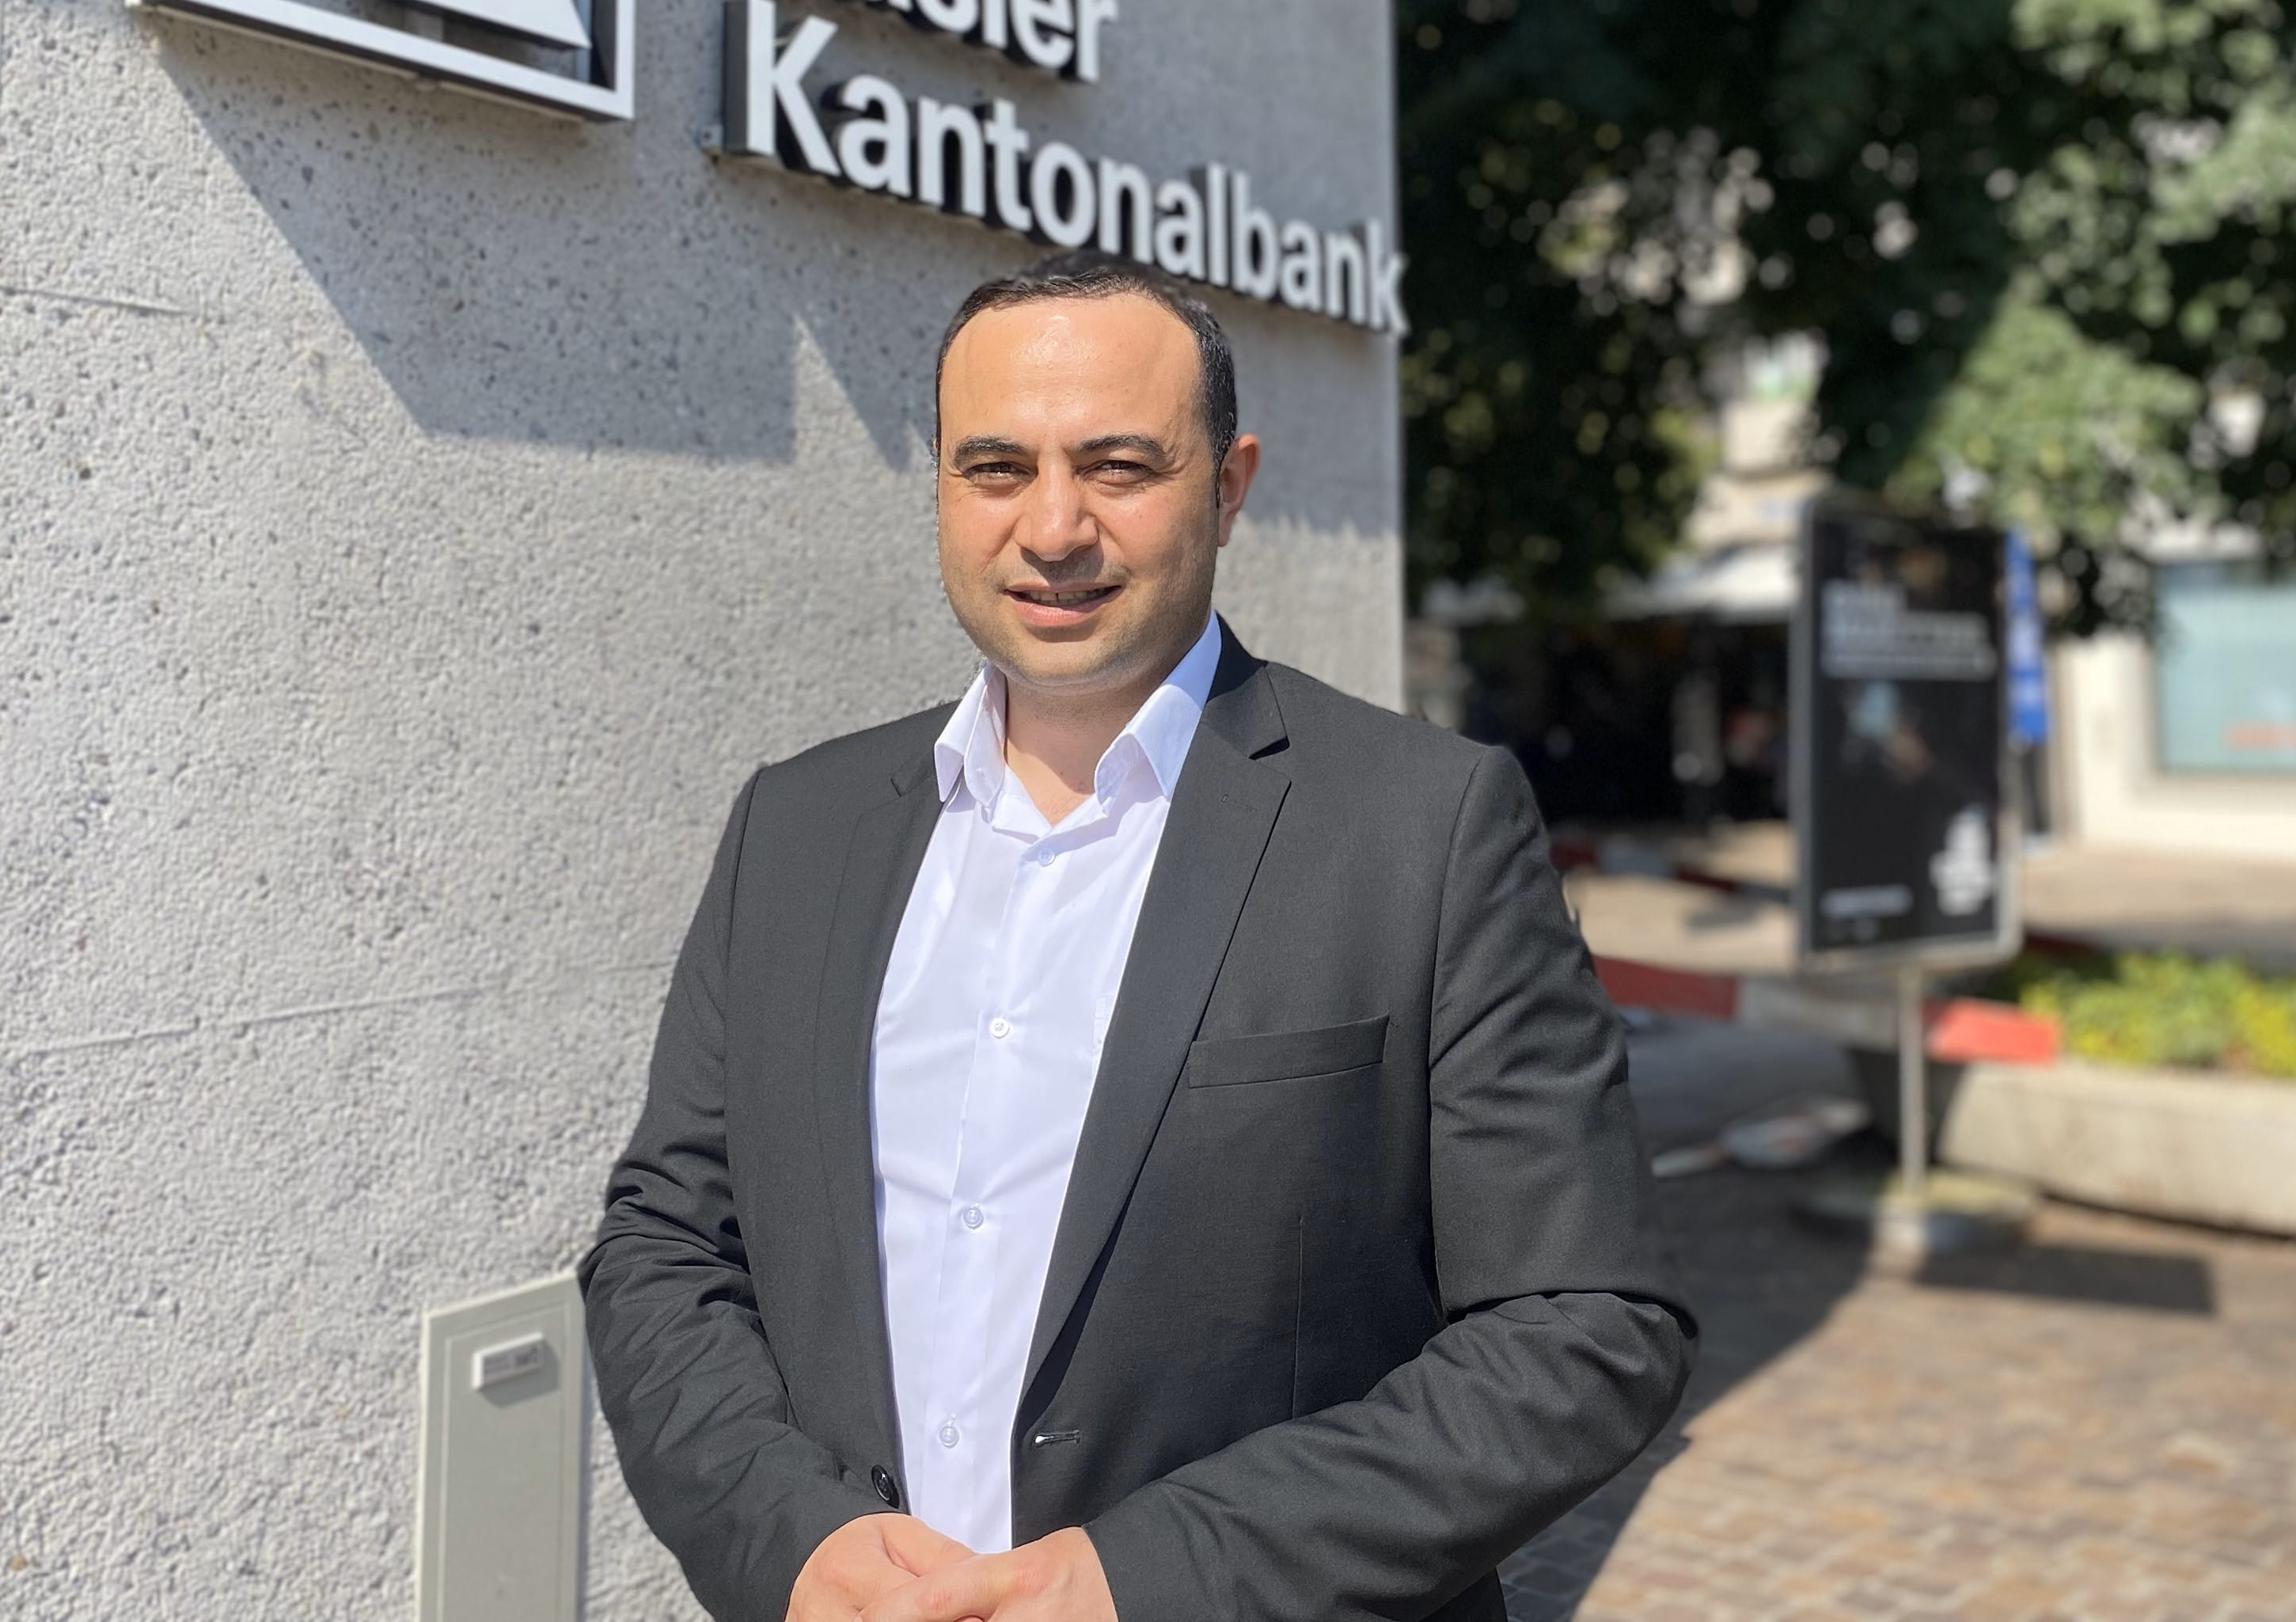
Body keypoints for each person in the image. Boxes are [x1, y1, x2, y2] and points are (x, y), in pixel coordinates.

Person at [582, 253, 1692, 1622]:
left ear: (1228, 486)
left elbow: (1585, 1323)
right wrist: (791, 1539)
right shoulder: (795, 827)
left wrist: (1155, 1576)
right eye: (996, 468)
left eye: (1118, 466)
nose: (1053, 528)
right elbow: (664, 1244)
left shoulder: (1424, 827)